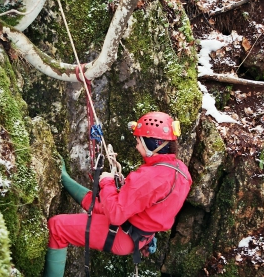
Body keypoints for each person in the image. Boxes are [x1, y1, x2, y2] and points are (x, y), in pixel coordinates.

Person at [43, 111, 192, 276]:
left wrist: (106, 181)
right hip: (139, 233)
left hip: (123, 234)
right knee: (99, 203)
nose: (136, 146)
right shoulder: (181, 171)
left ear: (151, 145)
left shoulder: (150, 177)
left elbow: (115, 215)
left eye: (138, 142)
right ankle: (65, 179)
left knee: (57, 227)